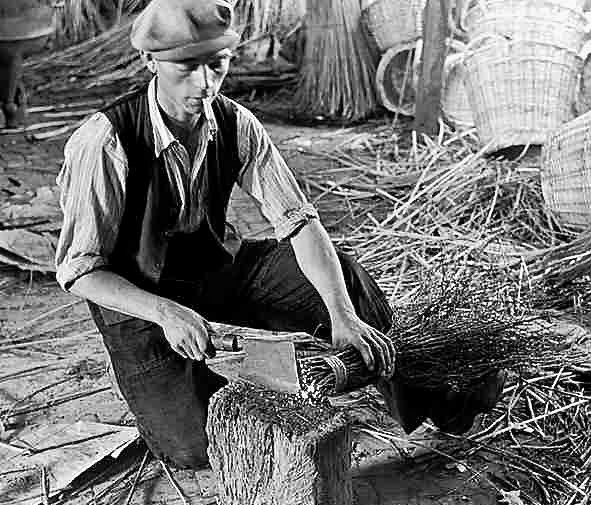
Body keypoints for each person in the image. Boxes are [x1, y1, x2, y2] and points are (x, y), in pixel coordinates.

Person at [55, 0, 396, 470]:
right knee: (195, 445)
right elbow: (79, 271)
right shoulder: (106, 140)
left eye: (216, 65)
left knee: (348, 282)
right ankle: (149, 376)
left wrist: (342, 314)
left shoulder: (236, 122)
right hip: (139, 296)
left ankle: (423, 391)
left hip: (216, 268)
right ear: (150, 61)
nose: (204, 83)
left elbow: (300, 221)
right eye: (186, 67)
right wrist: (165, 312)